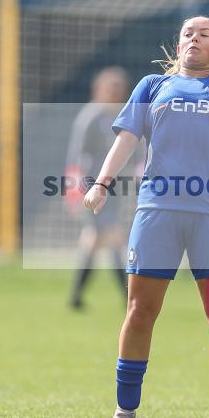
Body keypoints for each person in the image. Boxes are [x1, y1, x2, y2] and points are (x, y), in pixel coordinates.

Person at [84, 16, 209, 418]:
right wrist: (101, 183)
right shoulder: (152, 86)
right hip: (157, 212)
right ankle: (124, 412)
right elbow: (125, 139)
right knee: (139, 311)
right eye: (187, 33)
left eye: (204, 34)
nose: (193, 38)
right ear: (177, 46)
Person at [65, 66, 132, 310]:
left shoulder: (121, 115)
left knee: (94, 240)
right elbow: (77, 156)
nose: (115, 93)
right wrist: (75, 190)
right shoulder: (91, 116)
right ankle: (128, 298)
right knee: (111, 237)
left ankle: (76, 297)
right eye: (110, 88)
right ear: (99, 89)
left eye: (119, 89)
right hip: (92, 187)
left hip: (112, 189)